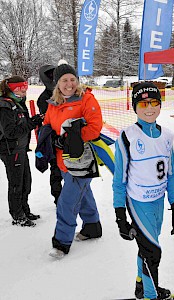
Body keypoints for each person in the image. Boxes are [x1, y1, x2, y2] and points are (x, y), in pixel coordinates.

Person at [113, 82, 174, 300]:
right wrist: (120, 217)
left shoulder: (168, 136)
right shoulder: (128, 136)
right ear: (135, 107)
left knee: (146, 248)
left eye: (154, 102)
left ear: (160, 105)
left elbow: (171, 176)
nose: (149, 108)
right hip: (138, 202)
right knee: (153, 252)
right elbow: (119, 181)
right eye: (143, 103)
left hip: (158, 202)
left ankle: (141, 284)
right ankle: (151, 295)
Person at [43, 61, 103, 258]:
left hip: (81, 162)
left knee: (67, 201)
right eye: (64, 80)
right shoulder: (54, 104)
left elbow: (94, 128)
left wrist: (68, 139)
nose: (69, 84)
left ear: (77, 80)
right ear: (57, 84)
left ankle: (61, 242)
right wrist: (50, 138)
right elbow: (47, 125)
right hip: (63, 162)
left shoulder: (86, 99)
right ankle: (92, 227)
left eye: (72, 79)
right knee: (83, 195)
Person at [0, 76, 43, 226]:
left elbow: (22, 124)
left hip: (21, 148)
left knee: (26, 182)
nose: (25, 91)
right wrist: (32, 123)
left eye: (26, 88)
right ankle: (17, 216)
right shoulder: (4, 106)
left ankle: (25, 210)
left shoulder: (18, 103)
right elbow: (10, 132)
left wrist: (34, 120)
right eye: (22, 88)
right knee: (16, 184)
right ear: (13, 88)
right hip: (11, 150)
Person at [37, 64, 62, 205]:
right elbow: (48, 120)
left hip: (67, 137)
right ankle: (58, 197)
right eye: (50, 76)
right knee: (56, 170)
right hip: (52, 138)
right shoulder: (44, 98)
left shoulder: (64, 92)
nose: (53, 78)